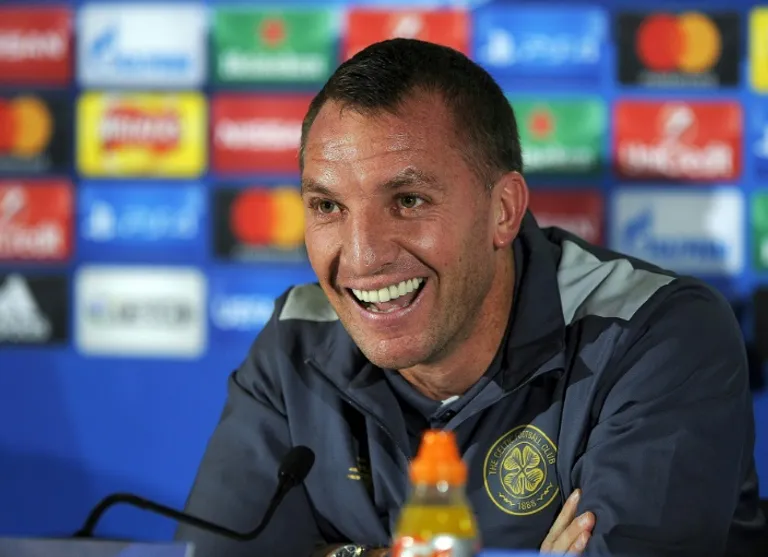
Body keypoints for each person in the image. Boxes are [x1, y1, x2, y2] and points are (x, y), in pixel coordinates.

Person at [176, 38, 765, 557]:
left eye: (408, 201)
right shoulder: (296, 335)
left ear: (502, 211)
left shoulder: (655, 334)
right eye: (328, 206)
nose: (361, 257)